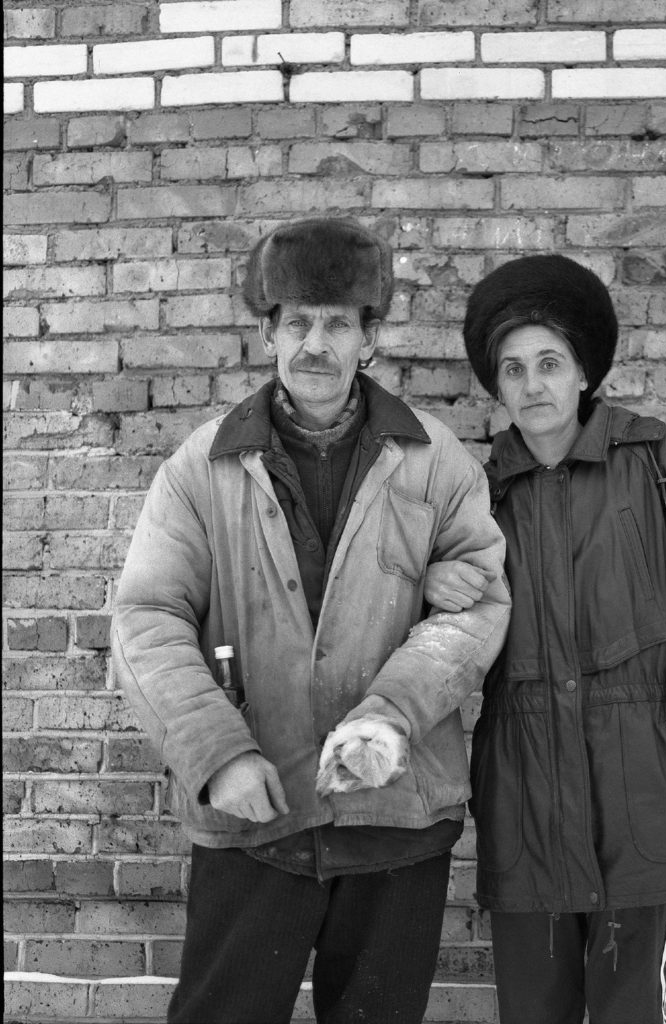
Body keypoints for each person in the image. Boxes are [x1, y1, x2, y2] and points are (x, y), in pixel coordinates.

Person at [111, 217, 510, 1024]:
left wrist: (390, 721)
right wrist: (217, 753)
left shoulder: (438, 462)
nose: (315, 343)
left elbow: (472, 610)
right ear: (268, 333)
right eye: (296, 321)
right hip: (253, 814)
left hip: (394, 815)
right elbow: (146, 621)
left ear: (370, 338)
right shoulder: (202, 468)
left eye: (337, 323)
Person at [424, 255, 666, 1024]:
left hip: (641, 796)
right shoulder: (476, 494)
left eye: (549, 363)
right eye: (513, 369)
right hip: (525, 796)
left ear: (582, 373)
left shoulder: (659, 465)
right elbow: (437, 639)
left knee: (629, 1010)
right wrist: (431, 587)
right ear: (496, 386)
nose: (532, 384)